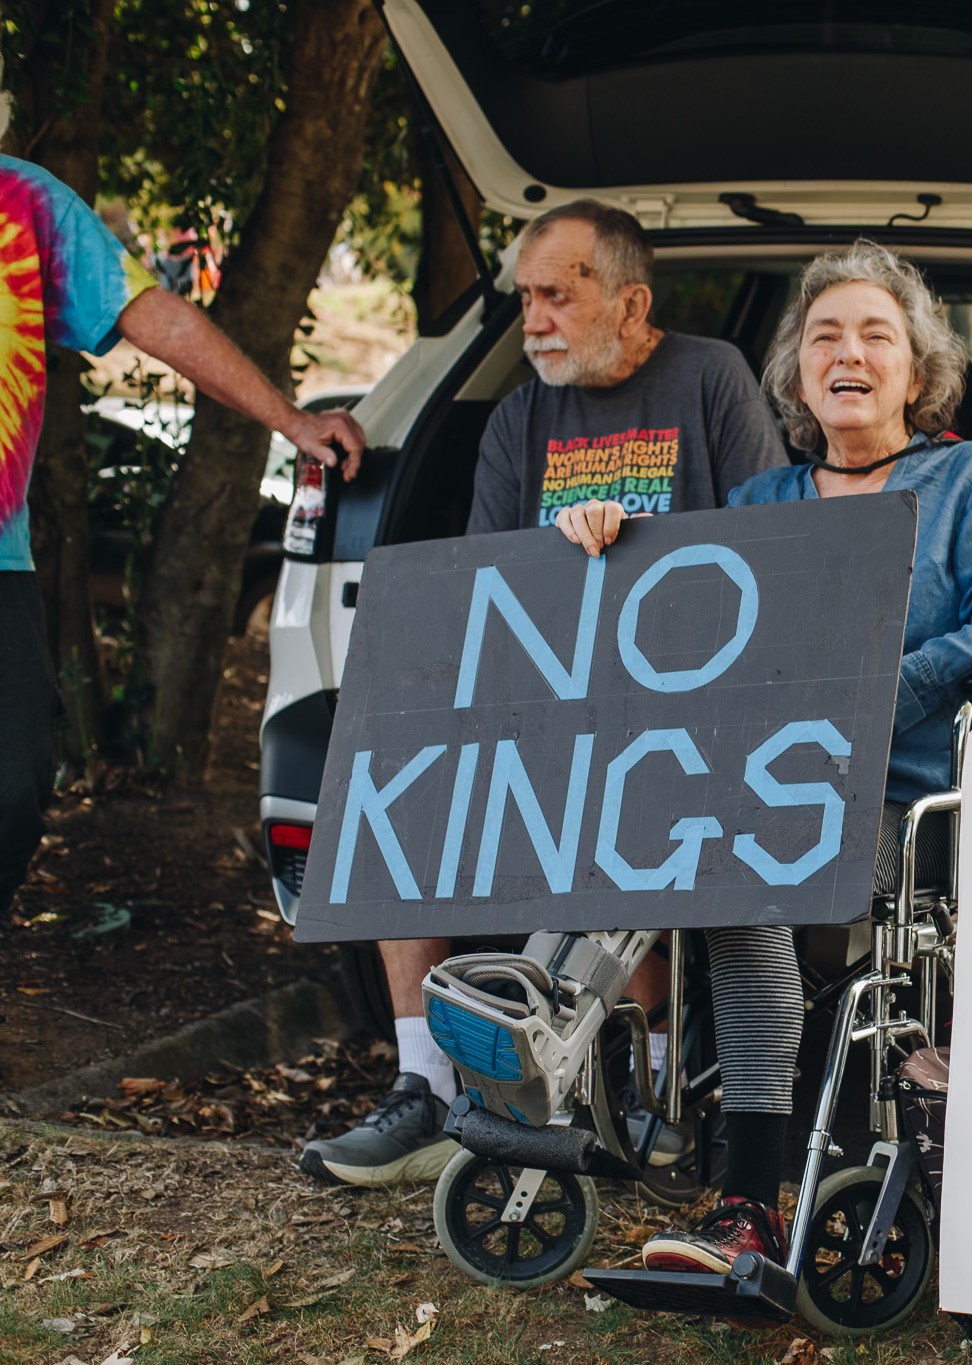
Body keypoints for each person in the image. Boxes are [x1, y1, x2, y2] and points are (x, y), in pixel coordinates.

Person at [569, 239, 972, 1275]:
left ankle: (748, 1199)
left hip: (909, 808)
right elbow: (688, 631)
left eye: (877, 335)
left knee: (744, 867)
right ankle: (549, 1051)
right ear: (795, 373)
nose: (849, 353)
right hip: (766, 796)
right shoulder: (759, 505)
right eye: (825, 335)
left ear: (916, 373)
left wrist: (874, 691)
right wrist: (607, 538)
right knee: (660, 843)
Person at [297, 200, 787, 1188]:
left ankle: (646, 1091)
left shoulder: (710, 379)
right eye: (524, 298)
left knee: (624, 812)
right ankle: (426, 1086)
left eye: (557, 295)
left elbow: (771, 547)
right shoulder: (521, 418)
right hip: (548, 702)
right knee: (397, 777)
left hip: (683, 709)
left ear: (631, 302)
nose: (533, 321)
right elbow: (492, 584)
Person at [0, 130, 364, 923]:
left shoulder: (20, 200)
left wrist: (291, 419)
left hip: (2, 566)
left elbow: (154, 316)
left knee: (13, 794)